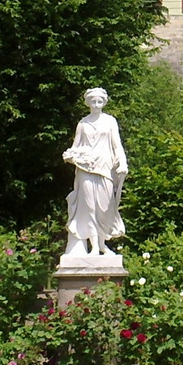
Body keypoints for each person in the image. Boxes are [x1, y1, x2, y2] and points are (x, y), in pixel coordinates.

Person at [62, 88, 127, 255]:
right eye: (93, 102)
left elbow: (117, 145)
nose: (96, 105)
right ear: (88, 103)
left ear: (104, 103)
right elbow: (75, 147)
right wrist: (69, 155)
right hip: (86, 169)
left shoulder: (110, 121)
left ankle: (103, 243)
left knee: (105, 208)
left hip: (105, 168)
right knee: (89, 208)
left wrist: (123, 163)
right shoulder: (83, 124)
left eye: (99, 101)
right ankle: (96, 247)